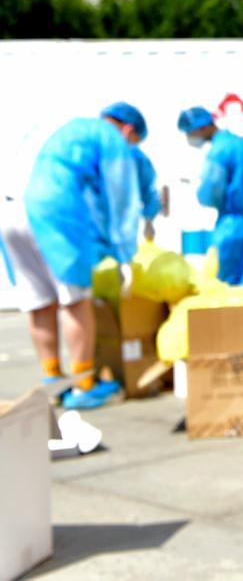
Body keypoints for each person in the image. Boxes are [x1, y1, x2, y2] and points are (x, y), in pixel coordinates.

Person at [0, 104, 146, 410]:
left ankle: (53, 379)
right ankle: (83, 384)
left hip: (13, 213)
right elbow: (120, 196)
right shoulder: (110, 137)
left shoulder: (65, 133)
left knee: (40, 301)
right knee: (75, 300)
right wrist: (123, 250)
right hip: (55, 214)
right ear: (129, 130)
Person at [177, 107, 243, 285]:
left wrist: (197, 190)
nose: (190, 138)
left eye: (190, 132)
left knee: (225, 284)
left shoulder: (219, 151)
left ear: (202, 127)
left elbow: (209, 193)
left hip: (231, 225)